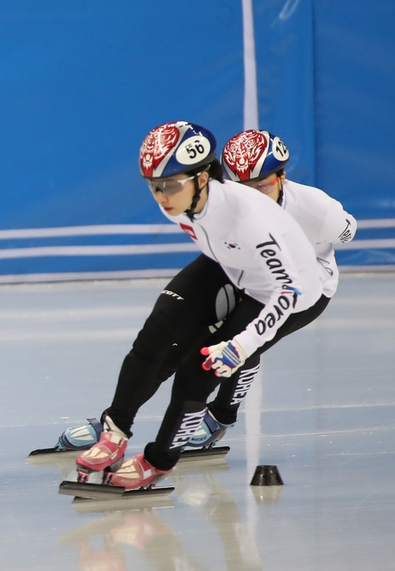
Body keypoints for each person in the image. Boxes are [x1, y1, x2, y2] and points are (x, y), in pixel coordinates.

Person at [68, 121, 334, 490]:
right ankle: (114, 431)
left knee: (199, 367)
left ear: (204, 176)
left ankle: (159, 460)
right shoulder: (181, 200)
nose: (163, 197)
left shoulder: (251, 218)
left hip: (291, 293)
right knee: (157, 334)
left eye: (172, 185)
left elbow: (288, 291)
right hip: (234, 265)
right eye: (155, 187)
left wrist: (239, 345)